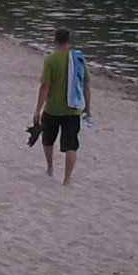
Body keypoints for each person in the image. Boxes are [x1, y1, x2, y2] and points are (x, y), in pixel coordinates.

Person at [33, 28, 93, 186]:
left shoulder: (50, 59)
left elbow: (45, 86)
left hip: (52, 108)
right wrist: (88, 107)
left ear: (55, 40)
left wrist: (38, 109)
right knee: (71, 144)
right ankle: (67, 179)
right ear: (69, 41)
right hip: (73, 108)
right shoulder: (78, 59)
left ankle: (50, 168)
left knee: (48, 140)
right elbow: (86, 83)